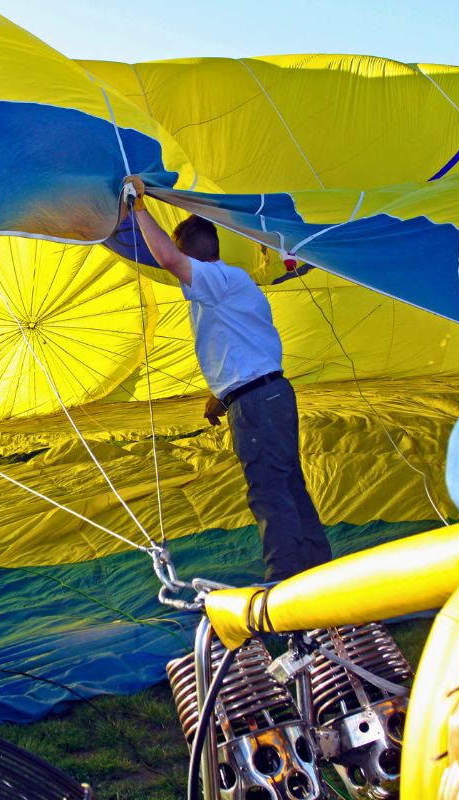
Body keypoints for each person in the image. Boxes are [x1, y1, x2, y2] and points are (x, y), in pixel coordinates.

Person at [122, 175, 331, 582]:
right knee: (288, 483)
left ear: (193, 259)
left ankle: (284, 583)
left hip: (257, 403)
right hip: (268, 393)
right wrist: (221, 396)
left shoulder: (214, 280)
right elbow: (243, 345)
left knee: (268, 491)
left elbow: (166, 258)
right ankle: (318, 568)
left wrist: (139, 207)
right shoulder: (236, 284)